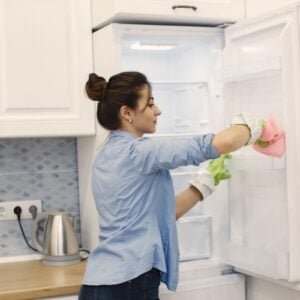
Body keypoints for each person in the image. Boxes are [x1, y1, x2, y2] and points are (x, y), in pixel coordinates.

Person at [79, 71, 263, 300]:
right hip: (130, 282)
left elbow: (158, 216)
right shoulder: (141, 152)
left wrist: (203, 184)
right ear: (126, 112)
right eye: (150, 104)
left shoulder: (104, 156)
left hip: (97, 284)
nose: (158, 111)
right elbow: (221, 142)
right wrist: (254, 127)